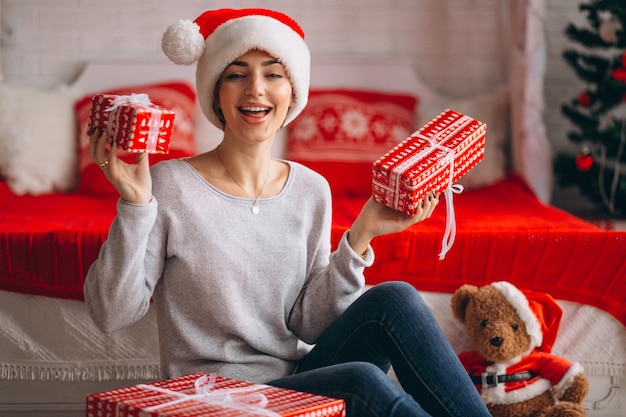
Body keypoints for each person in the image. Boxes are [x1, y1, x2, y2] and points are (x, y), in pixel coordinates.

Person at [84, 8, 491, 417]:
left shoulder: (311, 189)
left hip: (297, 381)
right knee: (361, 382)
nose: (255, 89)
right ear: (216, 93)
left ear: (292, 92)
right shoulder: (171, 185)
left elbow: (308, 325)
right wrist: (135, 206)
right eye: (236, 74)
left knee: (396, 299)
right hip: (217, 398)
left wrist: (360, 235)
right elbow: (111, 313)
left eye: (273, 74)